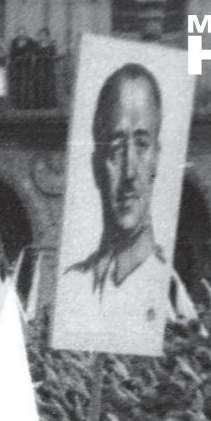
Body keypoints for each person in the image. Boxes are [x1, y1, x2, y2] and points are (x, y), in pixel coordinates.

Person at [60, 63, 170, 341]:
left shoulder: (164, 285)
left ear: (157, 157)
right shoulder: (74, 283)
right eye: (116, 148)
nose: (129, 173)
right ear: (96, 165)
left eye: (142, 145)